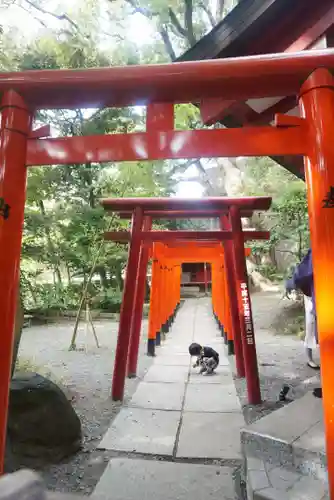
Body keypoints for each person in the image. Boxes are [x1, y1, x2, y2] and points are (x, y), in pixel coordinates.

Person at [286, 248, 319, 369]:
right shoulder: (315, 250)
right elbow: (302, 272)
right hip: (314, 291)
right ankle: (309, 358)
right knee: (311, 323)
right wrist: (292, 283)